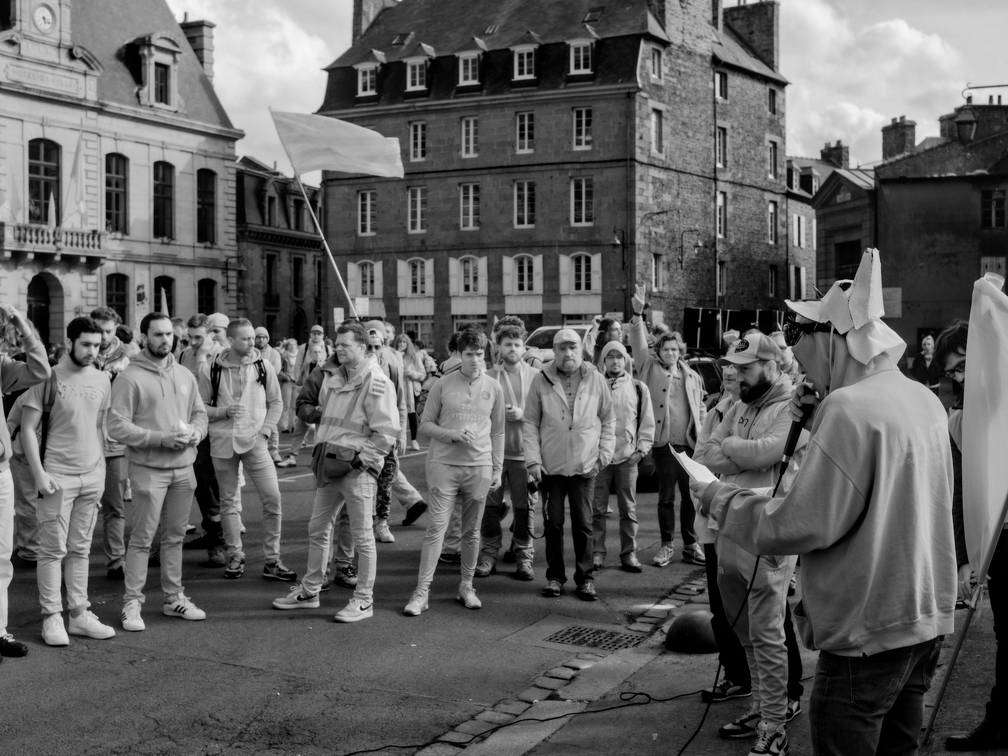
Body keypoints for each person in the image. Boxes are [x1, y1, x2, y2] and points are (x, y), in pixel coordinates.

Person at [691, 249, 956, 756]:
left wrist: (718, 498)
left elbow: (798, 523)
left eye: (799, 335)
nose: (795, 351)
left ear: (836, 340)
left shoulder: (848, 408)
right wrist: (808, 422)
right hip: (922, 616)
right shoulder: (919, 396)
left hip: (867, 632)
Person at [694, 333, 801, 753]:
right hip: (728, 526)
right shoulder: (738, 404)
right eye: (733, 367)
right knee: (742, 626)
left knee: (767, 630)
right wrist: (746, 452)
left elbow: (768, 452)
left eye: (745, 367)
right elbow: (705, 453)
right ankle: (761, 705)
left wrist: (735, 450)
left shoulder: (791, 407)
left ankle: (774, 725)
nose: (735, 375)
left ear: (771, 367)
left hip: (766, 532)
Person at [272, 321, 399, 622]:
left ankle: (364, 600)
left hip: (355, 470)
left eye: (345, 345)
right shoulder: (333, 377)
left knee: (363, 537)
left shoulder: (376, 379)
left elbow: (386, 432)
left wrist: (361, 462)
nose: (338, 349)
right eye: (337, 345)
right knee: (318, 528)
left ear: (363, 347)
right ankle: (311, 589)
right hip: (330, 465)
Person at [108, 312, 210, 632]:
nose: (165, 340)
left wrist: (197, 432)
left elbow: (200, 414)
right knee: (142, 539)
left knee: (175, 538)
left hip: (183, 469)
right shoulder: (129, 377)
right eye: (157, 335)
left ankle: (173, 597)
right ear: (144, 338)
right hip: (148, 470)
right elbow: (116, 426)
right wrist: (159, 439)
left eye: (168, 334)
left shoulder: (184, 374)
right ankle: (132, 602)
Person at [936, 319, 1008, 751]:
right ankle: (998, 722)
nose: (958, 376)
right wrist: (967, 555)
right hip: (999, 539)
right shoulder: (959, 415)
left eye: (963, 364)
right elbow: (962, 488)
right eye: (952, 370)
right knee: (1007, 635)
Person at [22, 317, 116, 645]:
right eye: (86, 344)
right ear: (71, 342)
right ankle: (51, 617)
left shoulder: (104, 379)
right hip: (56, 475)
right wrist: (39, 473)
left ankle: (78, 613)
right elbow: (29, 428)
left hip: (93, 474)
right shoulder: (47, 376)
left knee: (81, 548)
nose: (93, 350)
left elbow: (100, 426)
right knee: (52, 550)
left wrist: (101, 470)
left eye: (97, 345)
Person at [404, 328, 504, 615]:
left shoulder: (494, 387)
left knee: (472, 533)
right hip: (444, 465)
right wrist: (452, 435)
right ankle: (421, 592)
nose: (475, 360)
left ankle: (467, 586)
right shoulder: (442, 384)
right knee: (436, 528)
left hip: (480, 467)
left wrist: (497, 468)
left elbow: (498, 431)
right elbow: (424, 425)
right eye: (469, 354)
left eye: (479, 354)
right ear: (459, 355)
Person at [524, 329, 615, 601]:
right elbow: (530, 423)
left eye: (573, 348)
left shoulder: (596, 379)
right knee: (553, 524)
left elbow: (609, 421)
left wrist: (604, 455)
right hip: (551, 467)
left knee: (583, 524)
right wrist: (533, 461)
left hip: (585, 465)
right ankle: (555, 578)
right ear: (555, 351)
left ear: (581, 350)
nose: (568, 354)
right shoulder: (541, 380)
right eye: (562, 349)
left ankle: (585, 579)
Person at [200, 319, 294, 582]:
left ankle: (272, 560)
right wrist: (223, 411)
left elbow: (276, 403)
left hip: (256, 442)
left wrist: (265, 432)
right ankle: (235, 556)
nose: (252, 342)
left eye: (253, 337)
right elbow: (200, 407)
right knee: (228, 502)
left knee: (272, 499)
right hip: (222, 443)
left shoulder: (263, 366)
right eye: (246, 339)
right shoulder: (212, 369)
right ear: (231, 341)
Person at [628, 285, 707, 567]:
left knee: (690, 497)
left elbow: (700, 407)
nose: (671, 353)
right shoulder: (649, 368)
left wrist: (704, 432)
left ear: (680, 351)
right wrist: (637, 315)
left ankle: (690, 544)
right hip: (664, 444)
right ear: (658, 351)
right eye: (666, 349)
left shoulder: (692, 375)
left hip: (689, 443)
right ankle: (666, 545)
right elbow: (637, 345)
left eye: (675, 349)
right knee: (665, 497)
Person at [693, 352, 753, 702]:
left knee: (757, 607)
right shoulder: (716, 411)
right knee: (721, 606)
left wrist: (728, 453)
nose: (733, 379)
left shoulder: (760, 412)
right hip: (712, 516)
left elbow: (757, 456)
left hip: (742, 517)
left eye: (740, 373)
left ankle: (776, 688)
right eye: (728, 375)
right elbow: (703, 458)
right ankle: (735, 674)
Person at [0, 304, 51, 660]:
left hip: (0, 474)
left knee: (2, 559)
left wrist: (22, 324)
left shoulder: (0, 367)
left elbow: (40, 369)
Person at [476, 320, 540, 581]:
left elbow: (543, 415)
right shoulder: (489, 377)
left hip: (524, 455)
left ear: (524, 347)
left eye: (516, 344)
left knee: (525, 509)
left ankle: (524, 555)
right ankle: (489, 553)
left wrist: (523, 415)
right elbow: (478, 414)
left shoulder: (536, 377)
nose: (512, 348)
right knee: (490, 508)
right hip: (493, 455)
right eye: (507, 344)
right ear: (499, 348)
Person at [591, 340, 654, 573]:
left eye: (619, 356)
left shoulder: (638, 387)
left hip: (628, 458)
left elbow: (647, 422)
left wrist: (640, 451)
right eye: (610, 357)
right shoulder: (595, 386)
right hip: (600, 459)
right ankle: (597, 552)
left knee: (628, 509)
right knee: (597, 509)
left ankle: (629, 553)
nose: (615, 361)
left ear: (626, 360)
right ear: (603, 361)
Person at [177, 313, 226, 566]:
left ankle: (216, 541)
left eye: (199, 338)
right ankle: (171, 543)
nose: (194, 342)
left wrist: (201, 357)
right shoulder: (184, 354)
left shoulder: (221, 355)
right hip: (184, 426)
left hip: (211, 429)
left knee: (208, 485)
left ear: (210, 335)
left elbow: (203, 390)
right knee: (182, 483)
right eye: (191, 337)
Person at [91, 307, 131, 580]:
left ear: (116, 327)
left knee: (115, 506)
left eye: (108, 330)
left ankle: (116, 560)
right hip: (84, 441)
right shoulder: (80, 354)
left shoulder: (130, 358)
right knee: (79, 508)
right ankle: (73, 561)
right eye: (98, 330)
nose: (104, 337)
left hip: (116, 442)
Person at [278, 328, 329, 468]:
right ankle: (292, 457)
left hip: (321, 404)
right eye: (315, 352)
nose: (317, 354)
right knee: (299, 430)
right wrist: (300, 390)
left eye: (319, 352)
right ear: (310, 353)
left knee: (320, 432)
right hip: (308, 403)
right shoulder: (306, 367)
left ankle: (318, 459)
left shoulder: (327, 369)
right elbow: (299, 383)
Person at [254, 326, 284, 464]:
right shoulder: (250, 352)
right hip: (253, 394)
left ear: (268, 339)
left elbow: (275, 371)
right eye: (258, 337)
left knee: (271, 424)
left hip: (268, 393)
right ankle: (258, 452)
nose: (261, 339)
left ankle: (274, 451)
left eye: (264, 337)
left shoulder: (274, 354)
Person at [393, 333, 426, 451]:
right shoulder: (394, 355)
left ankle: (413, 440)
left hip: (412, 390)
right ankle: (397, 440)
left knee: (411, 415)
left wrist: (412, 373)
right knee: (396, 415)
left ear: (408, 344)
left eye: (404, 342)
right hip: (398, 388)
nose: (402, 344)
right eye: (400, 342)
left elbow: (423, 374)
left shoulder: (414, 357)